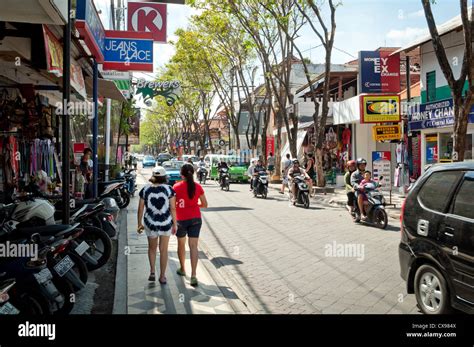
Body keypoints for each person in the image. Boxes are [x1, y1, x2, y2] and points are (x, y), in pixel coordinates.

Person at [137, 166, 177, 284]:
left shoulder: (145, 189)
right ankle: (163, 276)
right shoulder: (169, 189)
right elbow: (173, 208)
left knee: (152, 248)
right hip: (165, 224)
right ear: (164, 177)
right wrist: (175, 224)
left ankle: (152, 272)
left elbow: (140, 208)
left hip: (150, 223)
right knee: (163, 250)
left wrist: (139, 223)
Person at [173, 163, 208, 287]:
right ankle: (193, 275)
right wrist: (194, 206)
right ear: (193, 173)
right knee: (193, 246)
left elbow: (172, 206)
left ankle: (183, 269)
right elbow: (205, 204)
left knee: (181, 244)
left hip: (181, 220)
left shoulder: (176, 187)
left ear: (182, 175)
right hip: (195, 219)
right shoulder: (198, 187)